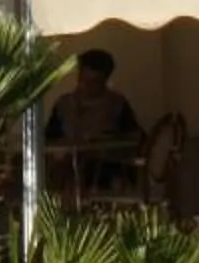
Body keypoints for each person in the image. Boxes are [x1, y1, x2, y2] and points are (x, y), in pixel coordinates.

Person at [45, 48, 144, 195]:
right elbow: (49, 139)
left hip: (104, 172)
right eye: (82, 79)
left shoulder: (116, 105)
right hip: (66, 170)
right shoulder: (63, 105)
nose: (85, 86)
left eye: (93, 82)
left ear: (105, 81)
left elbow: (135, 137)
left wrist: (107, 143)